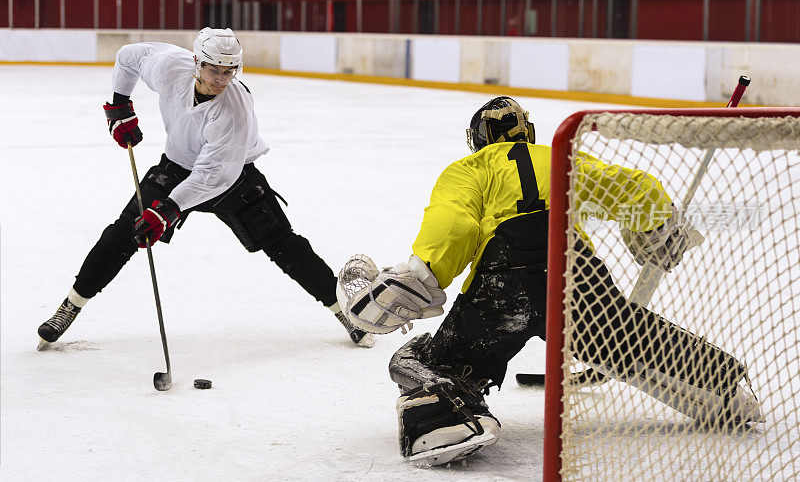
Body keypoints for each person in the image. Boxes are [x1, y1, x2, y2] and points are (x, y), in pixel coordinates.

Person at [336, 96, 762, 467]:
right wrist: (656, 228)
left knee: (434, 361)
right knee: (627, 334)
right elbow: (634, 186)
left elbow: (456, 225)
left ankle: (448, 421)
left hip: (505, 281)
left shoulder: (470, 168)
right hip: (575, 272)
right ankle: (723, 386)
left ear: (478, 139)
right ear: (529, 132)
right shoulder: (561, 154)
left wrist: (424, 274)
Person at [38, 27, 372, 348]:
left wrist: (167, 210)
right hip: (175, 168)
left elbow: (214, 176)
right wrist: (120, 104)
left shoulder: (235, 111)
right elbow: (128, 56)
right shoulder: (169, 67)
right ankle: (70, 306)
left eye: (229, 71)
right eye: (213, 69)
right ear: (197, 61)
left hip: (233, 179)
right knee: (120, 236)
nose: (220, 79)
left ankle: (346, 315)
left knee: (285, 246)